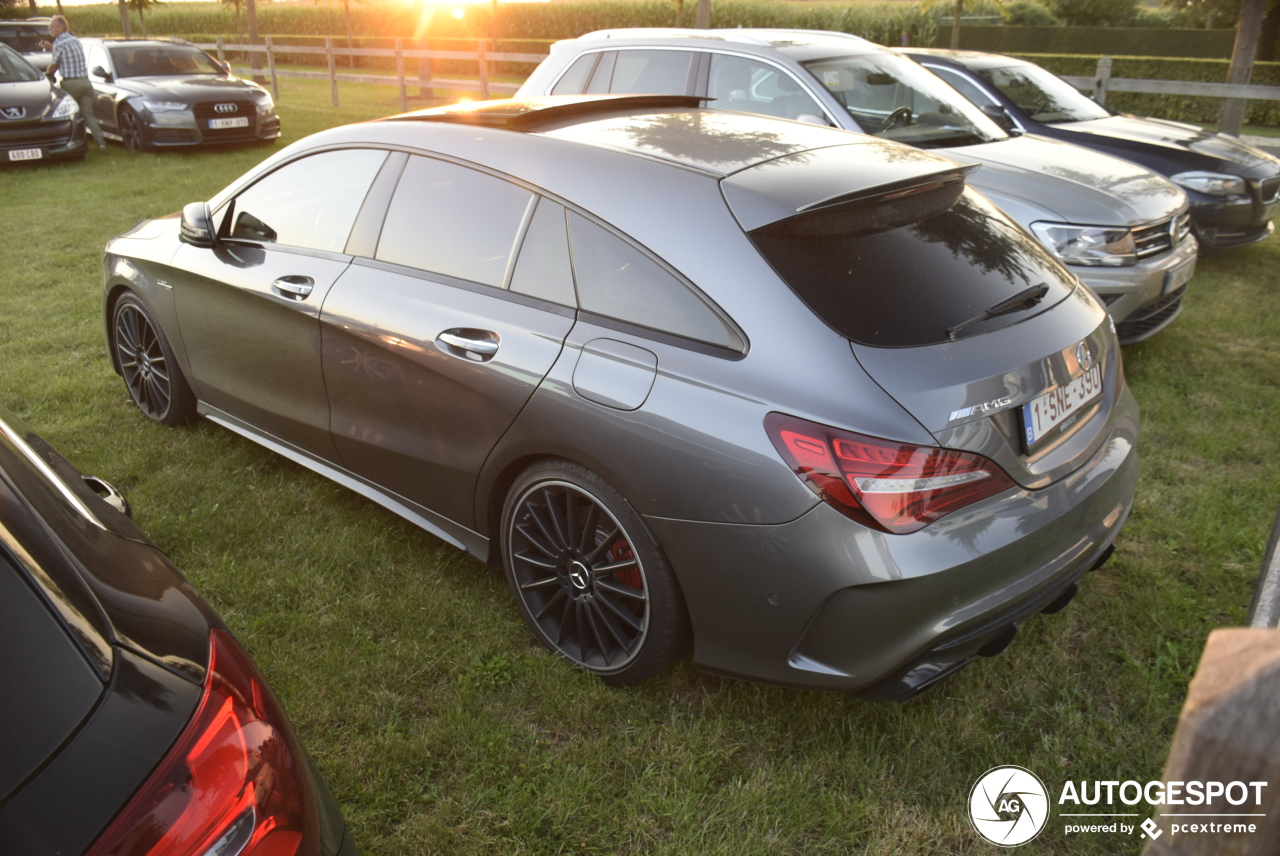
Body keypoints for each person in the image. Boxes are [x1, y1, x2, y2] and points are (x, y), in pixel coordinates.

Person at [43, 15, 105, 150]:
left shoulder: (59, 43)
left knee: (69, 115)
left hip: (70, 84)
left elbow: (54, 65)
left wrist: (47, 75)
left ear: (60, 27)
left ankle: (72, 143)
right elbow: (67, 54)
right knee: (88, 115)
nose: (49, 29)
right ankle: (101, 143)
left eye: (52, 26)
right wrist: (51, 48)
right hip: (85, 83)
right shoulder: (75, 40)